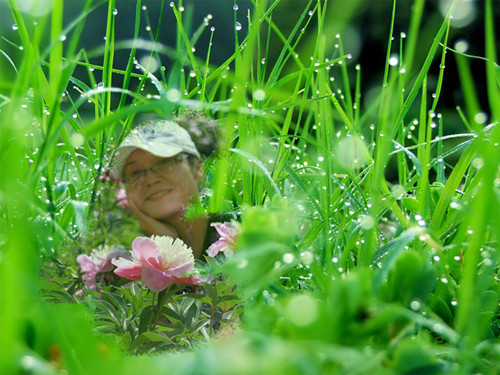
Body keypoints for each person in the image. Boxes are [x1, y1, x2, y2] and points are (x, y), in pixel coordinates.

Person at [112, 118, 212, 259]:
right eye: (135, 172)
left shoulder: (240, 237)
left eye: (165, 163)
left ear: (197, 169)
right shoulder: (118, 262)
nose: (151, 180)